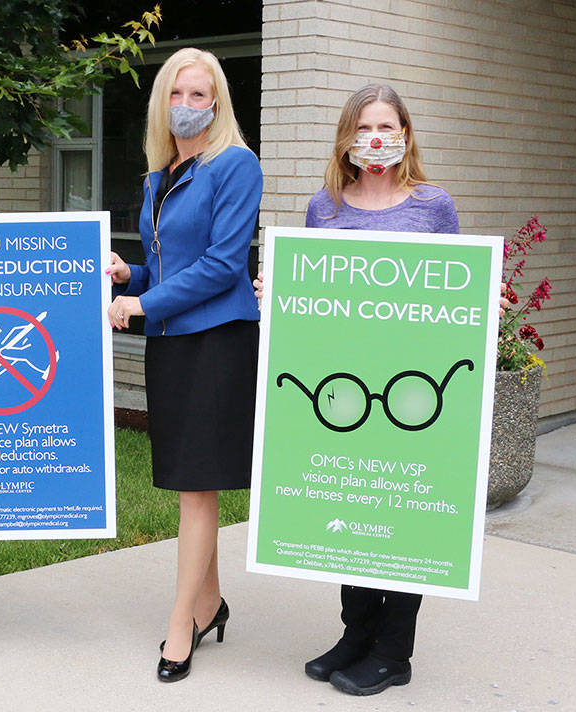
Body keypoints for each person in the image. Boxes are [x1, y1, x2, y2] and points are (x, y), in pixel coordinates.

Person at [256, 83, 459, 696]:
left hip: (411, 393)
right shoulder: (327, 207)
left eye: (387, 126)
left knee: (402, 516)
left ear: (406, 134)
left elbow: (456, 293)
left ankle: (394, 650)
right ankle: (355, 633)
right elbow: (316, 303)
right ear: (347, 137)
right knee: (350, 511)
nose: (377, 138)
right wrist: (279, 293)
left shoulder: (433, 206)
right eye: (365, 127)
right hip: (343, 388)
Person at [105, 47, 262, 683]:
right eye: (178, 94)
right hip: (171, 340)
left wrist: (140, 301)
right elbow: (170, 265)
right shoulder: (160, 171)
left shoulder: (235, 164)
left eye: (201, 95)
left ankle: (181, 626)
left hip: (216, 343)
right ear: (162, 103)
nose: (189, 106)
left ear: (218, 102)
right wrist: (131, 273)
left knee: (198, 488)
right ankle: (211, 603)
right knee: (191, 482)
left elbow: (224, 266)